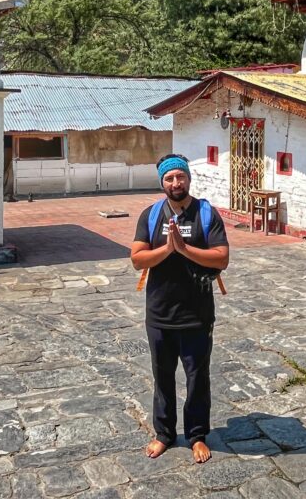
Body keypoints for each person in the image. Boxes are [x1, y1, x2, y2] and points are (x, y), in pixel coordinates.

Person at [131, 154, 229, 464]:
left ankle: (197, 435)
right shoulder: (151, 215)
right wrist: (167, 249)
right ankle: (164, 434)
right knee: (162, 377)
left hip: (197, 313)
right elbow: (137, 259)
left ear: (188, 179)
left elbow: (221, 258)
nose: (176, 183)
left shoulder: (205, 213)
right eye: (170, 178)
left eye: (180, 177)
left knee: (198, 378)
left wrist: (185, 249)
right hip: (159, 312)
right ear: (162, 182)